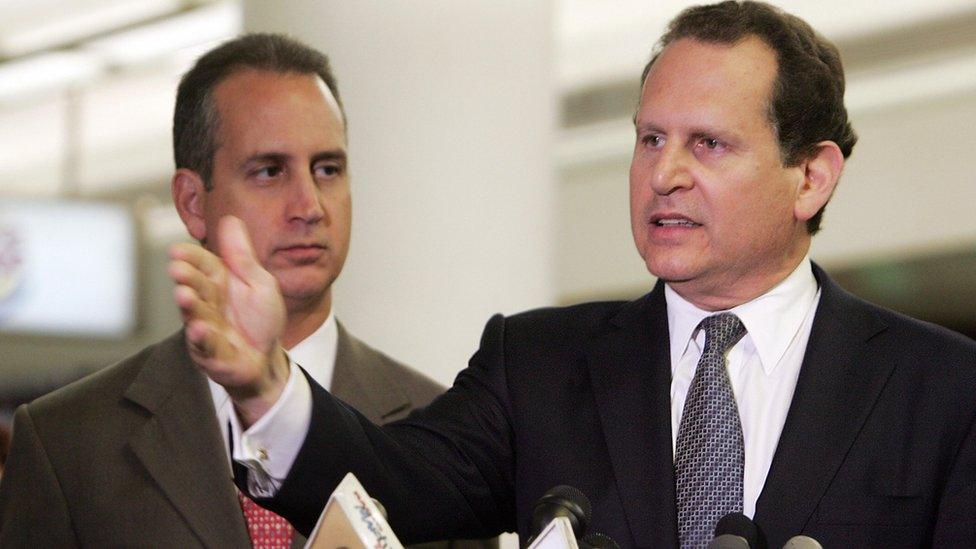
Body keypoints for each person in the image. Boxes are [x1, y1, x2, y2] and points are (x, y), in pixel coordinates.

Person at [148, 2, 976, 548]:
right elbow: (389, 486)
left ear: (811, 176)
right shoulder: (535, 364)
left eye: (707, 144)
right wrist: (263, 384)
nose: (663, 174)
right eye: (649, 139)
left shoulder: (943, 391)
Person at [0, 33, 498, 549]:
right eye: (269, 171)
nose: (310, 205)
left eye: (327, 169)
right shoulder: (69, 439)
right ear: (193, 202)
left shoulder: (440, 427)